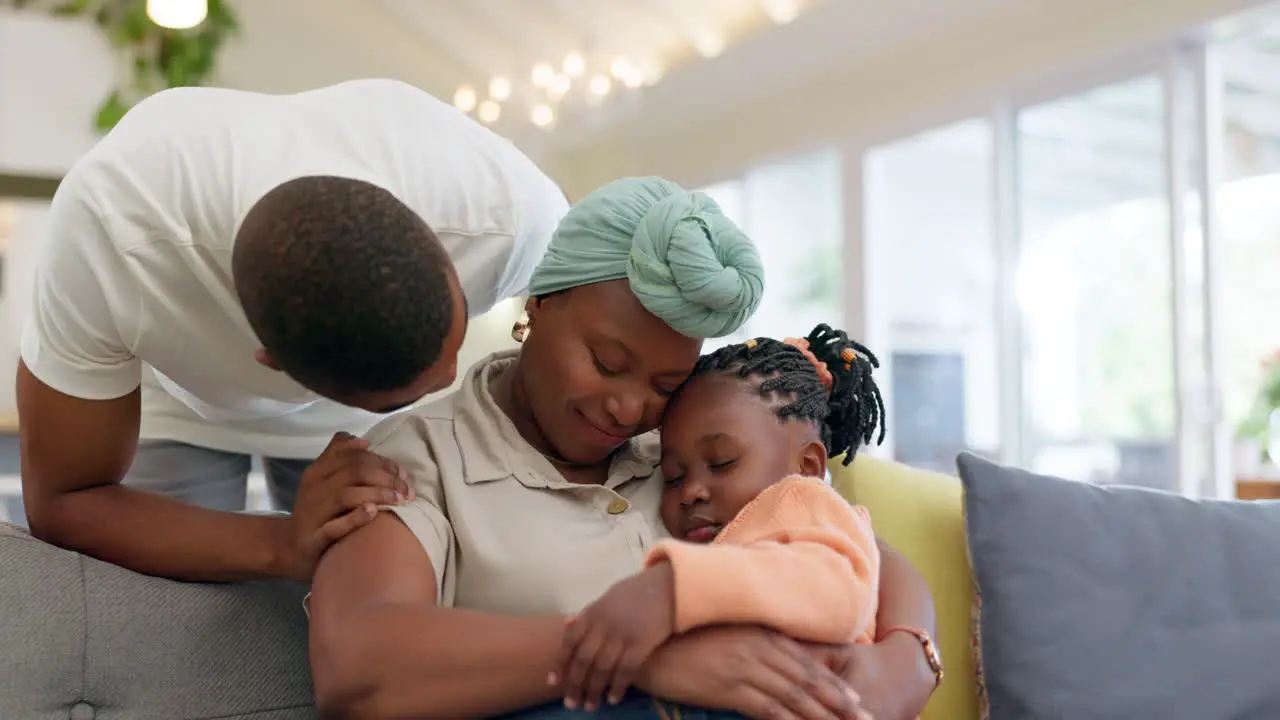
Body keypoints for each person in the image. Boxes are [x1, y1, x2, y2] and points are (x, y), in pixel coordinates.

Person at [307, 177, 941, 720]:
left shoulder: (681, 439)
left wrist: (909, 660)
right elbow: (358, 663)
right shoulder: (419, 456)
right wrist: (636, 653)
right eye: (607, 363)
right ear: (540, 304)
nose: (629, 408)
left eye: (663, 385)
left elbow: (847, 541)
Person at [18, 78, 569, 584]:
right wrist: (282, 543)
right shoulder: (110, 236)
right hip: (172, 401)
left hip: (350, 408)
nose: (452, 377)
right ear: (271, 362)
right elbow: (66, 500)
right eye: (414, 392)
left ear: (445, 254)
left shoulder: (510, 214)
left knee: (362, 581)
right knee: (168, 613)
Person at [553, 325, 902, 717]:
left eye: (722, 463)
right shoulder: (719, 541)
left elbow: (837, 593)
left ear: (807, 466)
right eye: (673, 476)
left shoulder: (806, 501)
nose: (691, 492)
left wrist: (671, 588)